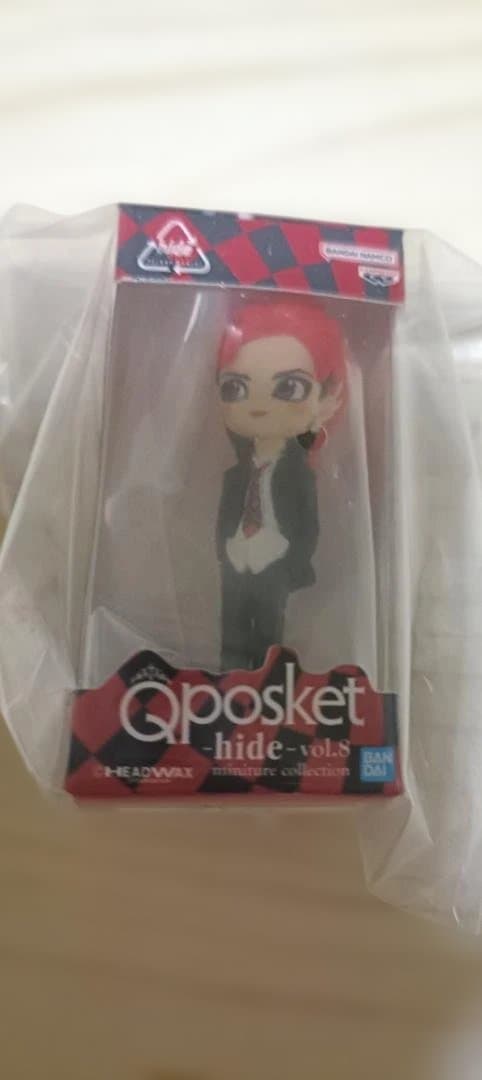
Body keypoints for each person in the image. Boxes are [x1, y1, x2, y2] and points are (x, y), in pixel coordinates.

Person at [216, 295, 346, 671]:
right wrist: (227, 550)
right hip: (236, 561)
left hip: (275, 564)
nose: (259, 406)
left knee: (269, 638)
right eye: (235, 388)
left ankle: (268, 688)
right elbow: (226, 516)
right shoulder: (236, 475)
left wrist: (290, 563)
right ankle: (230, 686)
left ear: (326, 398)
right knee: (231, 636)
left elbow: (307, 527)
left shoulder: (299, 475)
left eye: (289, 387)